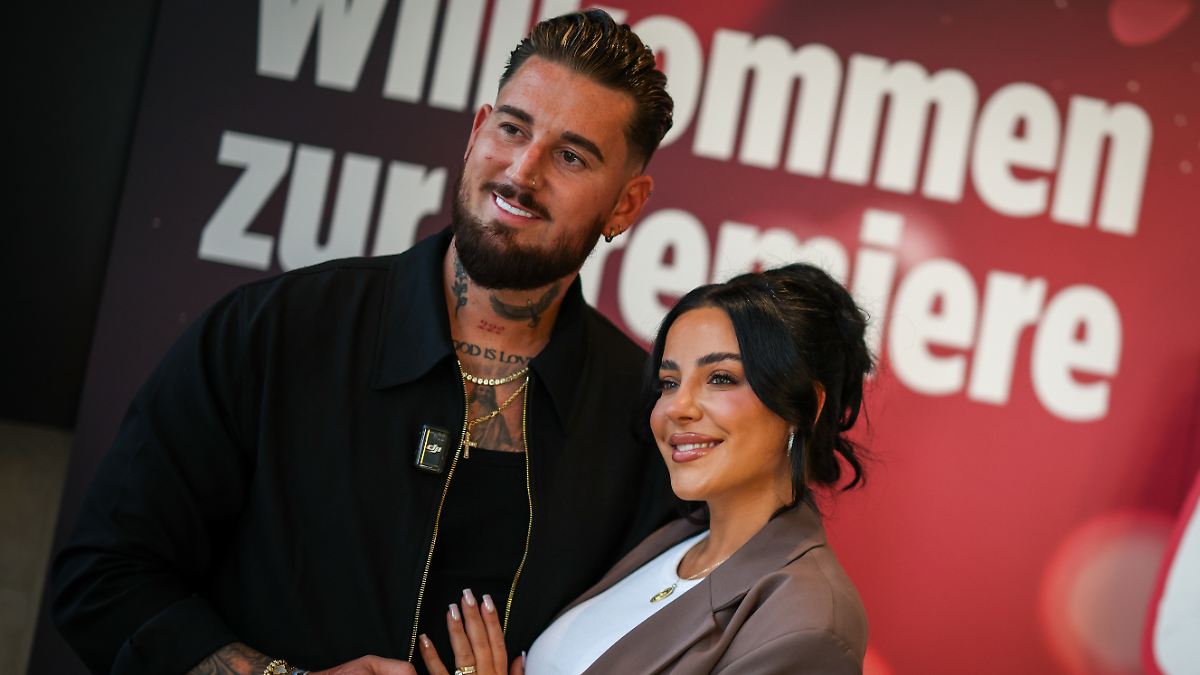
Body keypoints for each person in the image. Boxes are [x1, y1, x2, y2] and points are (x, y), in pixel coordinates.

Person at [52, 10, 675, 675]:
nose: (522, 172)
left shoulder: (649, 420)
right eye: (513, 129)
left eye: (572, 156)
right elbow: (103, 576)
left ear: (625, 205)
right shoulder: (277, 330)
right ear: (476, 132)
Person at [419, 263, 874, 675]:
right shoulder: (675, 537)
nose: (676, 407)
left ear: (805, 406)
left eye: (721, 378)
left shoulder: (809, 623)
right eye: (669, 382)